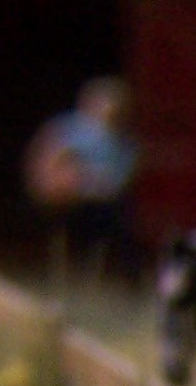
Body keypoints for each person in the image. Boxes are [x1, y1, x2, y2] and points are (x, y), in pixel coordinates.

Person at [25, 77, 141, 280]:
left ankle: (111, 273)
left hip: (98, 201)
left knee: (116, 217)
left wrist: (93, 182)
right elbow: (43, 163)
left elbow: (118, 182)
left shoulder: (125, 144)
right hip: (60, 196)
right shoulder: (64, 129)